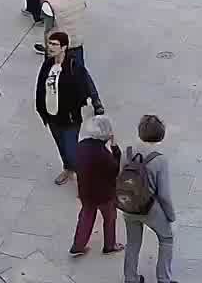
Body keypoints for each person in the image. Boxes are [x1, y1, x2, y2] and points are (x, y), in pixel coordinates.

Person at [120, 113, 177, 283]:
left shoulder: (127, 152)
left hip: (129, 205)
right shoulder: (159, 160)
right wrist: (171, 216)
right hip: (150, 209)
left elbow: (120, 177)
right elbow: (164, 195)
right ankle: (163, 279)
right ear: (161, 134)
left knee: (132, 243)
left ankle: (130, 278)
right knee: (166, 239)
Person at [35, 31, 97, 185]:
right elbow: (41, 85)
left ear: (64, 47)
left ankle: (83, 177)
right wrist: (41, 108)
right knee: (61, 146)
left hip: (69, 118)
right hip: (51, 115)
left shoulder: (73, 66)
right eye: (49, 43)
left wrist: (72, 108)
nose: (50, 47)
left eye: (55, 44)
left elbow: (83, 90)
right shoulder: (48, 64)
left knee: (71, 149)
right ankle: (68, 169)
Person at [71, 113, 123, 256]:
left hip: (86, 191)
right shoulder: (105, 156)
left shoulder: (81, 146)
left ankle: (78, 246)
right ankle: (109, 245)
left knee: (86, 217)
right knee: (110, 218)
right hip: (104, 195)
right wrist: (115, 148)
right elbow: (115, 170)